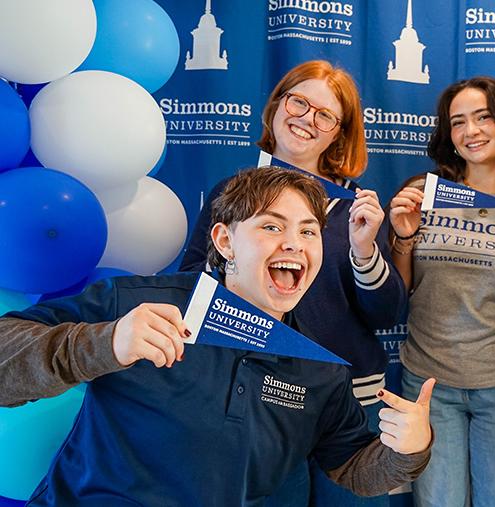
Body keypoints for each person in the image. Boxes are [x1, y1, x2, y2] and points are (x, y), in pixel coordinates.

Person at [0, 167, 434, 506]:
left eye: (308, 231)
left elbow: (355, 467)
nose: (294, 244)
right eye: (271, 226)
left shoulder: (318, 367)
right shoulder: (138, 304)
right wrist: (104, 344)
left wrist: (407, 450)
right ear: (225, 241)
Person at [179, 60, 406, 506]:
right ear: (277, 103)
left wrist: (364, 249)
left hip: (350, 404)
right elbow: (191, 284)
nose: (307, 118)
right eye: (299, 101)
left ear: (338, 133)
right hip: (256, 398)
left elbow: (388, 315)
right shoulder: (233, 191)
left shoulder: (357, 208)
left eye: (325, 114)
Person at [388, 77, 495, 507]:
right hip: (429, 384)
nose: (470, 130)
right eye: (458, 122)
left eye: (483, 117)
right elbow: (398, 294)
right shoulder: (424, 193)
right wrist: (402, 237)